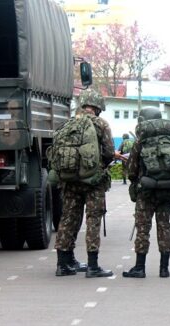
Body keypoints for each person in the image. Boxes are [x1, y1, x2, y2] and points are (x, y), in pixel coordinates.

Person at [123, 107, 170, 278]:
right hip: (168, 190)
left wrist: (136, 180)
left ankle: (140, 268)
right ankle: (164, 268)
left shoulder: (141, 141)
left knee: (143, 229)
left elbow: (131, 169)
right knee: (164, 227)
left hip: (146, 191)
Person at [54, 89, 114, 278]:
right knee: (93, 220)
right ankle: (92, 266)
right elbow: (109, 152)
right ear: (98, 108)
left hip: (70, 180)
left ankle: (63, 264)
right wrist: (99, 167)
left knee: (68, 219)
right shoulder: (101, 124)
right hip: (93, 182)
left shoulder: (69, 123)